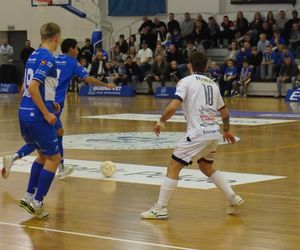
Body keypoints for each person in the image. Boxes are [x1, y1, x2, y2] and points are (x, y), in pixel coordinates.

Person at [140, 51, 244, 219]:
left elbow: (173, 106)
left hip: (198, 134)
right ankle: (232, 197)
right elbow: (224, 113)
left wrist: (161, 121)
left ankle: (160, 208)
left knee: (173, 166)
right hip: (213, 134)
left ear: (189, 65)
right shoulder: (213, 84)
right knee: (206, 167)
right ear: (206, 66)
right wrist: (226, 130)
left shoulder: (186, 81)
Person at [2, 38, 116, 181]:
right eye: (76, 48)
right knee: (43, 143)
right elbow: (87, 79)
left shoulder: (53, 58)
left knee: (58, 133)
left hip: (41, 101)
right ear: (71, 49)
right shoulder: (72, 62)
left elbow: (30, 83)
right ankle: (17, 160)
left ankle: (60, 168)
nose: (78, 51)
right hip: (52, 105)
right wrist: (106, 85)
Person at [7, 23, 62, 219]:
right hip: (37, 115)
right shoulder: (47, 57)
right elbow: (33, 87)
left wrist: (50, 102)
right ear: (57, 38)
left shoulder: (33, 55)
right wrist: (46, 113)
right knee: (55, 158)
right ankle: (38, 203)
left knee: (41, 155)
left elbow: (26, 87)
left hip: (24, 110)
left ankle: (28, 195)